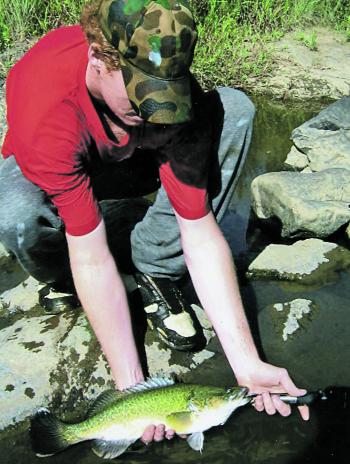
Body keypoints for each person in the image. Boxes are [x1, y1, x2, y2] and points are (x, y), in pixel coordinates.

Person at [0, 0, 309, 444]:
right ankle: (59, 276)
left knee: (233, 109)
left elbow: (199, 231)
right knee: (11, 207)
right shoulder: (46, 107)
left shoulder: (168, 102)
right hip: (71, 160)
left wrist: (247, 366)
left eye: (166, 94)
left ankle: (154, 264)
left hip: (136, 158)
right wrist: (131, 392)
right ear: (98, 58)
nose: (153, 110)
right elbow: (89, 254)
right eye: (143, 93)